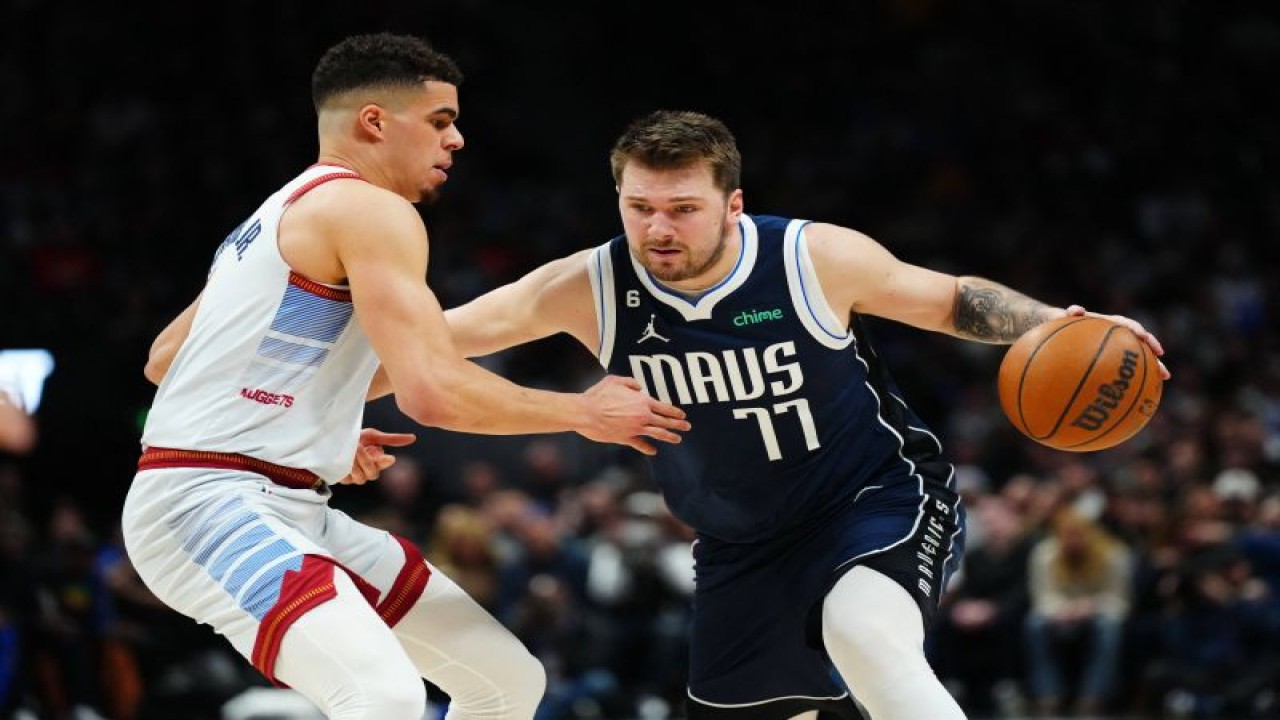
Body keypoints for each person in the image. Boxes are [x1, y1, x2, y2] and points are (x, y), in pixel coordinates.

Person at [444, 109, 1169, 720]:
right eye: (640, 208)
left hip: (874, 496)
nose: (658, 229)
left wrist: (1056, 325)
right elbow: (430, 344)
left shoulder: (810, 258)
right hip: (739, 542)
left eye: (683, 209)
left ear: (732, 205)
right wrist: (332, 397)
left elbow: (950, 301)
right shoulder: (587, 286)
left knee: (863, 633)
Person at [123, 34, 688, 720]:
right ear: (374, 121)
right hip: (207, 499)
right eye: (441, 122)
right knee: (382, 698)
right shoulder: (372, 210)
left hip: (283, 499)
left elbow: (163, 359)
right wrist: (581, 412)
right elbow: (435, 392)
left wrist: (311, 427)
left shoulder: (274, 215)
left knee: (507, 683)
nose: (456, 141)